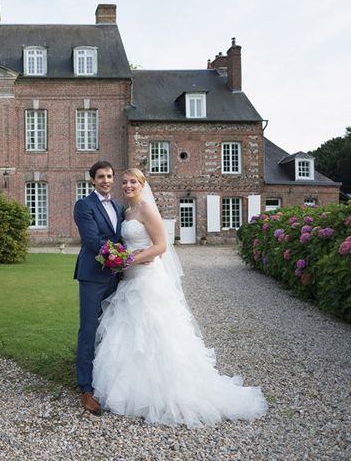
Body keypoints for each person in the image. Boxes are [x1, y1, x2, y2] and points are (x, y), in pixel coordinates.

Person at [92, 168, 268, 427]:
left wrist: (129, 259)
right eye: (125, 182)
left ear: (142, 184)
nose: (128, 185)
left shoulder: (147, 209)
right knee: (130, 333)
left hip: (147, 279)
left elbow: (161, 246)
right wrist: (122, 259)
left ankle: (166, 392)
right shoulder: (126, 212)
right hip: (129, 279)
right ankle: (134, 389)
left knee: (155, 332)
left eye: (133, 182)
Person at [73, 160, 124, 415]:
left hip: (116, 278)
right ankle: (85, 387)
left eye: (109, 176)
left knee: (112, 328)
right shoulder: (84, 205)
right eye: (101, 176)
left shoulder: (118, 206)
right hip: (93, 275)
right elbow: (93, 240)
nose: (106, 180)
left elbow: (120, 237)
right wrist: (121, 259)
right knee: (89, 329)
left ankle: (106, 378)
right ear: (92, 180)